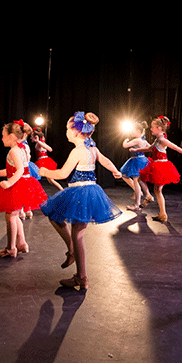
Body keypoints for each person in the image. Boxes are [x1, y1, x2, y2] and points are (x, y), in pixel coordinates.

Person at [38, 112, 122, 289]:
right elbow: (104, 160)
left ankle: (80, 273)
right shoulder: (92, 148)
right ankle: (77, 265)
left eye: (67, 129)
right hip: (91, 191)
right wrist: (115, 170)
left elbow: (63, 174)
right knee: (72, 230)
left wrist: (44, 172)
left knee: (71, 230)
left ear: (76, 132)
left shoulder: (77, 151)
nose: (66, 132)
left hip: (80, 193)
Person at [0, 120, 47, 257]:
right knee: (15, 214)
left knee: (10, 216)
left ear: (12, 137)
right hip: (25, 183)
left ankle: (10, 248)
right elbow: (12, 170)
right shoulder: (23, 148)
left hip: (18, 185)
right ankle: (21, 243)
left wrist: (9, 183)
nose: (2, 139)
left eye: (3, 136)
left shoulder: (14, 150)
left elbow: (19, 170)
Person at [135, 115, 182, 222]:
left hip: (161, 166)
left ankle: (153, 202)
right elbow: (149, 148)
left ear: (159, 128)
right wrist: (136, 150)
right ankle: (162, 213)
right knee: (156, 189)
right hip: (156, 164)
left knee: (152, 186)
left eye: (152, 127)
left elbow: (176, 148)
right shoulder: (157, 140)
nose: (151, 129)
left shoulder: (162, 140)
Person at [119, 121, 152, 210]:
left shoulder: (137, 140)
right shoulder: (144, 141)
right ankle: (141, 194)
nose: (131, 132)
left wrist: (125, 139)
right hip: (142, 160)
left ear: (138, 131)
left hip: (137, 161)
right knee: (129, 178)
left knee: (136, 181)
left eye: (133, 130)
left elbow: (125, 145)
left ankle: (137, 204)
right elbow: (150, 148)